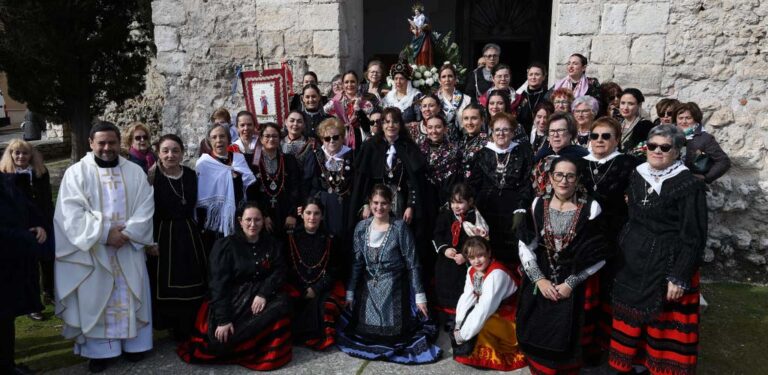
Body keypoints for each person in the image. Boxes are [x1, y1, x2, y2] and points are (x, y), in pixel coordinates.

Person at [54, 121, 155, 373]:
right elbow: (70, 213)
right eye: (101, 143)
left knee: (131, 293)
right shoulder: (76, 173)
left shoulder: (134, 171)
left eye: (112, 142)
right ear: (91, 143)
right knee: (96, 299)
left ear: (119, 142)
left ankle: (134, 345)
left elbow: (146, 206)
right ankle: (100, 352)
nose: (107, 148)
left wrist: (127, 233)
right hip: (94, 252)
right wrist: (104, 234)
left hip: (128, 248)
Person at [609, 125, 707, 375]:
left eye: (665, 147)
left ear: (677, 151)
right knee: (629, 317)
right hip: (633, 257)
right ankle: (630, 365)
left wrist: (680, 275)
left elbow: (694, 235)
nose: (657, 151)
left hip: (667, 261)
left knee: (661, 323)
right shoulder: (638, 173)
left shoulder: (689, 184)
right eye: (652, 146)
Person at [516, 156, 609, 374]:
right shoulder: (537, 203)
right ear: (550, 177)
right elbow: (526, 244)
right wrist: (538, 278)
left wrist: (571, 283)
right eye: (558, 175)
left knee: (568, 330)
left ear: (578, 179)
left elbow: (599, 253)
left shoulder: (591, 208)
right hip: (542, 269)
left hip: (576, 273)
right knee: (537, 325)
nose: (563, 181)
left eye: (570, 176)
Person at [177, 203, 292, 371]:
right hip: (233, 298)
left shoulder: (272, 244)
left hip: (259, 296)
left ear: (263, 221)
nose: (253, 224)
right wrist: (223, 319)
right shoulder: (226, 246)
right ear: (240, 221)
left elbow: (279, 271)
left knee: (282, 302)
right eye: (248, 220)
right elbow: (218, 284)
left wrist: (264, 293)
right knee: (218, 342)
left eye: (257, 220)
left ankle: (259, 346)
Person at [337, 185, 442, 364]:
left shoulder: (399, 227)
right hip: (369, 285)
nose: (379, 207)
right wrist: (350, 292)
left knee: (394, 335)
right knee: (365, 333)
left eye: (384, 203)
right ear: (370, 203)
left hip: (395, 284)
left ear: (391, 204)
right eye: (376, 203)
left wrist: (420, 297)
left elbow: (413, 264)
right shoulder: (361, 228)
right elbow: (357, 264)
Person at [583, 117, 640, 353]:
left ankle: (608, 345)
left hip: (616, 235)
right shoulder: (580, 163)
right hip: (585, 235)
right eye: (595, 136)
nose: (599, 140)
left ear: (616, 140)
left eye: (606, 136)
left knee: (609, 289)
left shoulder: (629, 164)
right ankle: (585, 342)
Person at [146, 134, 207, 341]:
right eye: (165, 151)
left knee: (191, 277)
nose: (170, 155)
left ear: (182, 153)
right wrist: (150, 240)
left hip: (189, 233)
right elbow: (147, 211)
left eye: (175, 151)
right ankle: (171, 325)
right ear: (158, 153)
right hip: (164, 233)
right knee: (167, 281)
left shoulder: (190, 174)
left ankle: (192, 323)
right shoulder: (152, 176)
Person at [0, 173, 51, 375]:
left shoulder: (7, 182)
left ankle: (8, 364)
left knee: (6, 318)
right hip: (9, 251)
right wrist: (25, 236)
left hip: (10, 264)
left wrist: (38, 226)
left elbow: (24, 210)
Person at [452, 237, 526, 371]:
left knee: (482, 323)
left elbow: (484, 308)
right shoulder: (472, 271)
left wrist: (463, 335)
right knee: (471, 320)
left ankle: (495, 354)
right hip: (494, 312)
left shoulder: (497, 274)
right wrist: (459, 324)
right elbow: (467, 297)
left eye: (480, 255)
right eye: (472, 257)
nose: (476, 261)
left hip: (511, 319)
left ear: (489, 253)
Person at [468, 112, 533, 266]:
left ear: (512, 132)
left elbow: (526, 183)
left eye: (505, 129)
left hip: (513, 207)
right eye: (497, 130)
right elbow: (474, 183)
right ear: (492, 132)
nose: (501, 133)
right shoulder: (482, 154)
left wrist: (521, 207)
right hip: (487, 207)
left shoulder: (523, 153)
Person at [0, 140, 54, 321]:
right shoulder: (5, 175)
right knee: (30, 267)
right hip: (21, 226)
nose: (21, 156)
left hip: (42, 221)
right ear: (10, 154)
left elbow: (46, 198)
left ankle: (50, 293)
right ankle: (33, 305)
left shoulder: (40, 172)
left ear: (31, 155)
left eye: (25, 153)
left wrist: (46, 222)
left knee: (48, 260)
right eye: (17, 153)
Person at [351, 107, 426, 227]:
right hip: (375, 201)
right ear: (382, 125)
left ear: (400, 125)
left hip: (399, 201)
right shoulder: (371, 146)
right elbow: (364, 180)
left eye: (395, 122)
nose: (391, 125)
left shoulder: (409, 147)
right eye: (387, 122)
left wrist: (410, 206)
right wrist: (365, 204)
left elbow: (413, 181)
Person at [286, 199, 344, 350]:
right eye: (308, 213)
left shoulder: (331, 239)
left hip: (321, 287)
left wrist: (316, 288)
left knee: (327, 306)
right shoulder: (290, 237)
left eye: (316, 213)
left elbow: (335, 270)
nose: (312, 217)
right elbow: (287, 268)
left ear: (322, 216)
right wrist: (303, 289)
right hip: (297, 287)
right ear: (302, 215)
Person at [432, 183, 488, 328]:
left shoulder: (475, 218)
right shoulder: (446, 215)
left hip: (466, 263)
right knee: (444, 288)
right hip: (446, 262)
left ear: (470, 202)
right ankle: (446, 318)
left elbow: (478, 242)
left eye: (460, 202)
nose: (456, 206)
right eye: (453, 202)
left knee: (463, 291)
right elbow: (437, 235)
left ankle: (462, 318)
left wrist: (465, 255)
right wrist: (444, 249)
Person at [196, 124, 256, 251]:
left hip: (237, 216)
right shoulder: (204, 163)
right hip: (213, 223)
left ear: (228, 139)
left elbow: (249, 186)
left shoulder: (239, 159)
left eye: (222, 136)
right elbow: (200, 196)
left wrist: (236, 176)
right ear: (209, 141)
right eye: (214, 137)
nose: (219, 140)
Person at [302, 117, 354, 239]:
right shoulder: (315, 156)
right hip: (322, 206)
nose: (331, 141)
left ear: (342, 137)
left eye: (335, 137)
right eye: (327, 138)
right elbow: (307, 184)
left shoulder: (352, 155)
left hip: (346, 205)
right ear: (322, 140)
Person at [246, 123, 301, 238]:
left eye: (275, 136)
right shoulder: (252, 161)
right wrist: (262, 215)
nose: (271, 139)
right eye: (267, 136)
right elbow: (251, 191)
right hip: (261, 213)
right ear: (261, 139)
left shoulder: (289, 160)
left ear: (280, 139)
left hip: (285, 211)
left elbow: (295, 187)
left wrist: (292, 214)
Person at [533, 112, 589, 197]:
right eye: (552, 131)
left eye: (560, 130)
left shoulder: (582, 157)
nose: (555, 135)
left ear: (570, 133)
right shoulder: (541, 155)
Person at [674, 101, 731, 183]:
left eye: (688, 118)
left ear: (695, 119)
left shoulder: (705, 138)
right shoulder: (670, 135)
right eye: (680, 118)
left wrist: (706, 177)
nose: (683, 121)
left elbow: (723, 161)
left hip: (692, 184)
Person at [324, 71, 372, 152]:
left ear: (358, 84)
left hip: (360, 138)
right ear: (343, 84)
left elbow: (368, 125)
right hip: (340, 137)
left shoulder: (365, 102)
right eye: (346, 82)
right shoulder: (335, 101)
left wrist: (357, 108)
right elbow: (324, 113)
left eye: (352, 81)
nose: (349, 85)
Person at [436, 63, 471, 142]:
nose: (447, 80)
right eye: (443, 77)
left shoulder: (467, 99)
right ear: (439, 80)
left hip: (462, 140)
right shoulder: (434, 99)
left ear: (455, 79)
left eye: (450, 76)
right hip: (438, 140)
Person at [516, 62, 548, 136]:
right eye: (530, 74)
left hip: (542, 134)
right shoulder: (520, 96)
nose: (533, 77)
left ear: (543, 77)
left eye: (537, 74)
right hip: (522, 134)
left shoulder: (548, 95)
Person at [619, 88, 655, 153]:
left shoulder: (645, 126)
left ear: (639, 105)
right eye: (623, 103)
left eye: (630, 104)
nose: (625, 107)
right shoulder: (617, 124)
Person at [458, 104, 490, 178]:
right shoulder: (460, 142)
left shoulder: (488, 143)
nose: (469, 122)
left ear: (482, 120)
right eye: (466, 118)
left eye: (474, 118)